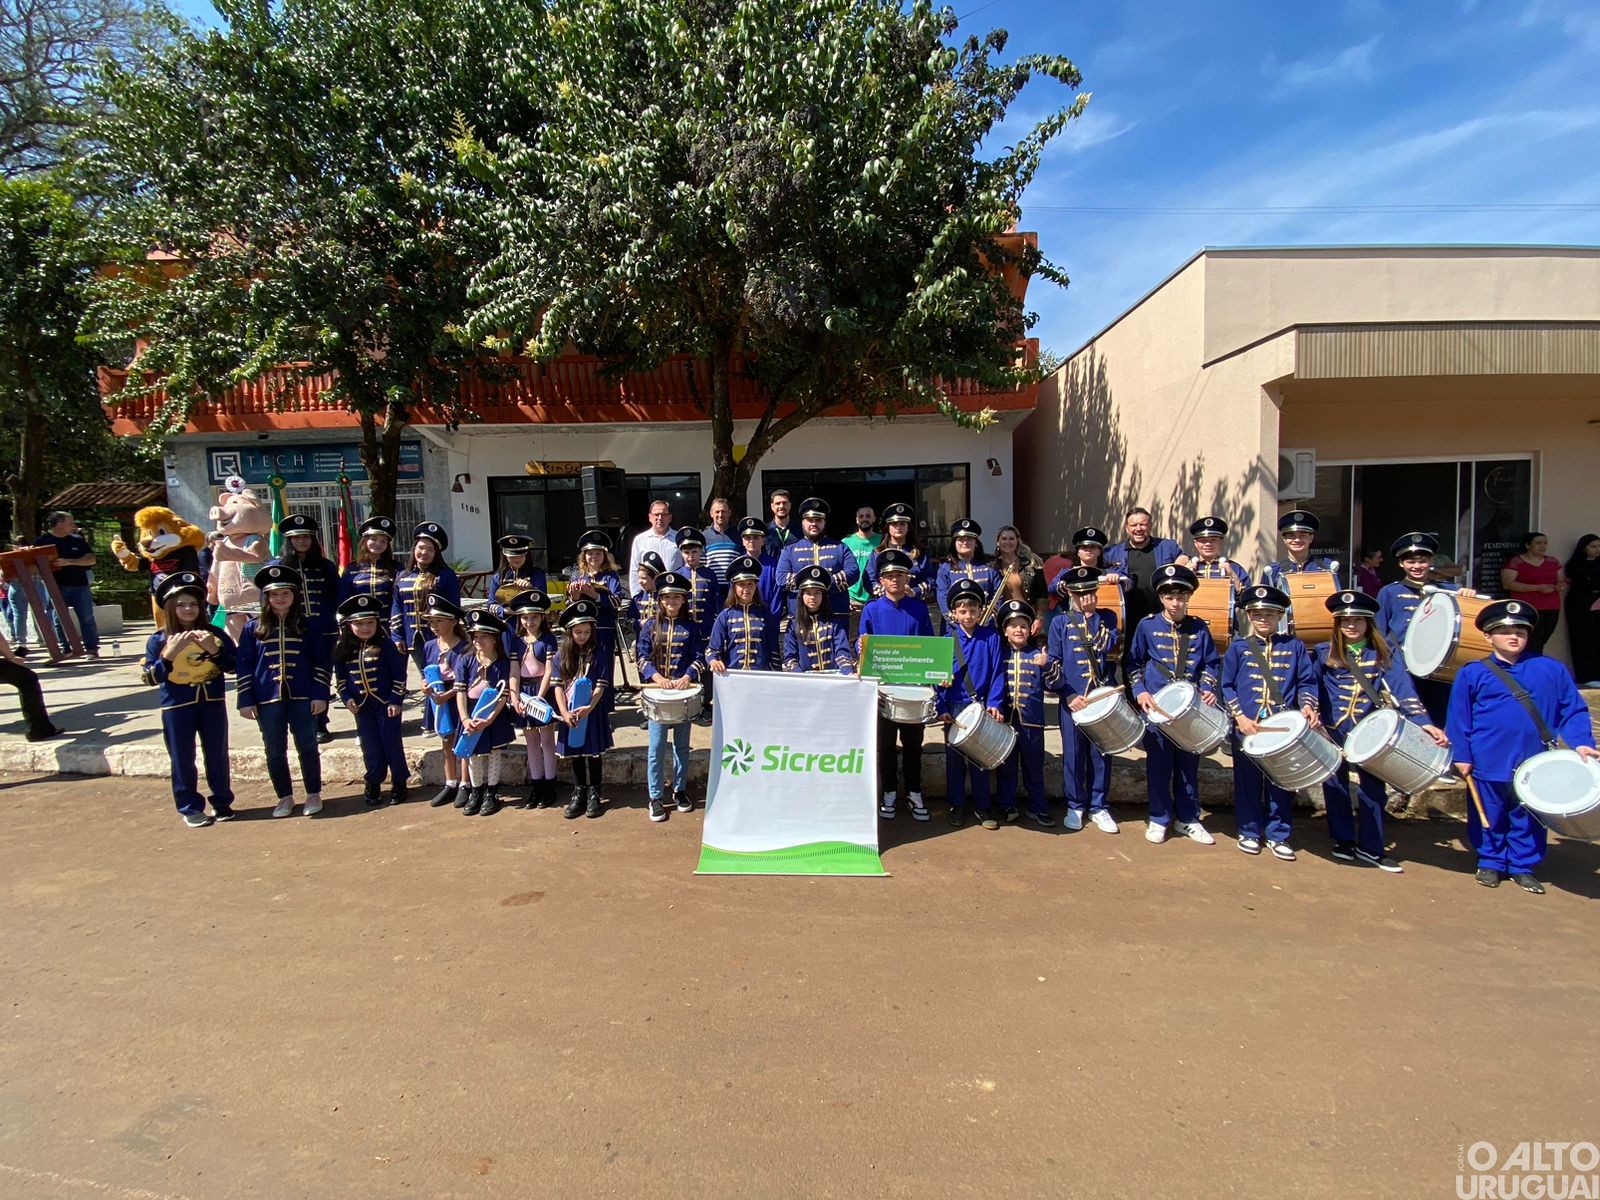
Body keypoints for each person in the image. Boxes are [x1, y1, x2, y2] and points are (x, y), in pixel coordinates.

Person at [1446, 598, 1599, 893]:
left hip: (1535, 760)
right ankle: (1490, 862)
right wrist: (1462, 755)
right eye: (1504, 631)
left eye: (1520, 630)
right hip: (1488, 757)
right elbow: (1459, 718)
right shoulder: (1472, 672)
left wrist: (1581, 743)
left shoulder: (1550, 670)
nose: (1513, 636)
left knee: (1528, 814)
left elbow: (1573, 709)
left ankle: (1521, 865)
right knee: (1489, 813)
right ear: (1488, 636)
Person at [1314, 590, 1445, 873]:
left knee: (1373, 789)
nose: (1351, 626)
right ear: (1337, 624)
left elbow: (1403, 690)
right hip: (1333, 729)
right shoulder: (1324, 652)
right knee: (1334, 785)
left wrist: (1424, 721)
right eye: (1346, 621)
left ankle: (1372, 846)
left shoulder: (1384, 651)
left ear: (1368, 623)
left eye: (1358, 620)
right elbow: (1312, 688)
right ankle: (1343, 839)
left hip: (1368, 733)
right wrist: (1311, 712)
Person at [1221, 585, 1319, 859]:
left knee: (1280, 782)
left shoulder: (1295, 646)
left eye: (1269, 614)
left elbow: (1306, 682)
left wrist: (1309, 705)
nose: (1263, 620)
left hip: (1281, 727)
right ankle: (1249, 831)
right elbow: (1226, 685)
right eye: (1257, 614)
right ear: (1249, 616)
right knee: (1247, 781)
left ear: (1279, 616)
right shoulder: (1238, 647)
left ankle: (1279, 834)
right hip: (1247, 726)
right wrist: (1239, 717)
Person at [1128, 565, 1221, 845]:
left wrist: (1207, 688)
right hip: (1158, 707)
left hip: (1190, 708)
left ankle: (1188, 819)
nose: (1176, 603)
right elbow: (1133, 662)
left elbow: (1211, 664)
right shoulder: (1147, 625)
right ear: (1161, 599)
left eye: (1181, 597)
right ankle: (1158, 817)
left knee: (1187, 765)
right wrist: (1140, 691)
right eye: (1170, 597)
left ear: (1188, 598)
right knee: (1158, 765)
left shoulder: (1199, 627)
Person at [236, 564, 331, 819]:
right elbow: (243, 665)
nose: (280, 599)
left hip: (302, 695)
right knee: (274, 750)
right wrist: (245, 699)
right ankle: (284, 796)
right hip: (267, 698)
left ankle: (313, 792)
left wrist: (320, 694)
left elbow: (321, 662)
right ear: (266, 597)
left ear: (294, 596)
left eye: (285, 594)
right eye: (274, 594)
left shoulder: (308, 625)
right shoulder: (252, 628)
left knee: (308, 746)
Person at [140, 571, 231, 825]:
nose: (188, 609)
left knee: (217, 754)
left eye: (193, 604)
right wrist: (167, 656)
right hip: (177, 706)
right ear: (170, 607)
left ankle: (222, 802)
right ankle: (189, 807)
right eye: (181, 605)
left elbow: (233, 666)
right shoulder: (159, 639)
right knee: (182, 757)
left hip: (212, 703)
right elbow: (149, 677)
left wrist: (213, 651)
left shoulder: (214, 633)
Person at [857, 549, 933, 821]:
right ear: (882, 579)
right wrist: (862, 649)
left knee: (914, 744)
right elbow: (862, 642)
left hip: (913, 689)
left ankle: (914, 790)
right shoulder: (872, 608)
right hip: (883, 690)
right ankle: (888, 789)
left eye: (900, 575)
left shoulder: (919, 608)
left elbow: (930, 645)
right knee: (885, 744)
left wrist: (935, 673)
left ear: (907, 578)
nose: (895, 581)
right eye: (889, 576)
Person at [1376, 531, 1477, 728]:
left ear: (1430, 561)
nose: (1416, 566)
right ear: (1401, 564)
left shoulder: (1450, 590)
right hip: (1403, 668)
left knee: (1441, 719)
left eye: (1422, 561)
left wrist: (1468, 598)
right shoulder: (1389, 592)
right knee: (1411, 721)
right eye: (1410, 562)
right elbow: (1379, 633)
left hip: (1440, 667)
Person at [1047, 565, 1119, 833]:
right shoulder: (1059, 622)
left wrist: (1091, 616)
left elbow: (1106, 646)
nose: (1083, 598)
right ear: (1069, 594)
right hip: (1073, 698)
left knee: (1101, 753)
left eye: (1089, 592)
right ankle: (1075, 804)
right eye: (1078, 594)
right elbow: (1053, 663)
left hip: (1100, 697)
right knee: (1074, 754)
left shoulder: (1107, 618)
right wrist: (1067, 694)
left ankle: (1099, 805)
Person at [636, 571, 704, 821]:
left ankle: (680, 790)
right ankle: (655, 796)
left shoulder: (691, 627)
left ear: (684, 600)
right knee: (656, 748)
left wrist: (687, 677)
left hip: (682, 693)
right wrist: (657, 678)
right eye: (667, 598)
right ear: (660, 601)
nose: (672, 602)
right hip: (657, 695)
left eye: (677, 598)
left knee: (682, 747)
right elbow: (641, 657)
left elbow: (699, 658)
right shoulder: (650, 627)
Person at [940, 579, 1005, 829]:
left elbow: (997, 671)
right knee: (954, 759)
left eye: (973, 610)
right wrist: (942, 707)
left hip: (981, 706)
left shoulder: (991, 637)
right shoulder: (948, 639)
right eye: (963, 611)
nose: (968, 615)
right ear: (954, 613)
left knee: (981, 758)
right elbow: (938, 679)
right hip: (955, 706)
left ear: (981, 611)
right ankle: (956, 804)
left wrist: (995, 702)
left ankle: (983, 806)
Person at [333, 593, 409, 807]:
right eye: (359, 623)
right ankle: (373, 781)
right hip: (362, 707)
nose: (365, 628)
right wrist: (346, 698)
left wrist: (396, 700)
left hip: (386, 705)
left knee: (391, 743)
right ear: (349, 625)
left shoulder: (386, 646)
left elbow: (399, 675)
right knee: (371, 746)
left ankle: (399, 781)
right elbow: (340, 679)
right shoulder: (343, 649)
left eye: (370, 623)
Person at [273, 514, 342, 742]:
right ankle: (303, 722)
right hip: (294, 631)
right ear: (289, 541)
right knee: (300, 675)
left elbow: (336, 596)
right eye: (297, 538)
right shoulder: (279, 565)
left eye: (306, 537)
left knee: (322, 675)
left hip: (324, 630)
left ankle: (321, 722)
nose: (302, 542)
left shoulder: (325, 566)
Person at [392, 521, 461, 734]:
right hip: (413, 636)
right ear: (414, 549)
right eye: (421, 548)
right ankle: (432, 721)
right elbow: (397, 605)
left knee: (439, 675)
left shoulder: (445, 575)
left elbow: (454, 606)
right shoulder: (403, 576)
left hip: (439, 635)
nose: (424, 553)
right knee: (427, 676)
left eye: (430, 549)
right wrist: (396, 634)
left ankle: (437, 721)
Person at [995, 599, 1056, 826]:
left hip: (1032, 723)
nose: (1018, 630)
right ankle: (1006, 804)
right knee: (1007, 767)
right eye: (1013, 626)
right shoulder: (999, 653)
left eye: (1023, 625)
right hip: (1007, 722)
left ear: (1030, 628)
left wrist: (1047, 665)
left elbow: (1055, 684)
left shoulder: (1038, 654)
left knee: (1034, 767)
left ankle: (1037, 806)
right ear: (1005, 630)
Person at [552, 598, 614, 819]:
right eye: (578, 632)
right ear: (570, 632)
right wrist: (564, 713)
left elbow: (600, 685)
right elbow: (557, 687)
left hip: (591, 711)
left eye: (586, 632)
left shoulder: (599, 652)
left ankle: (595, 793)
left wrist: (589, 707)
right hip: (569, 712)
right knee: (576, 753)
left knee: (593, 753)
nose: (582, 636)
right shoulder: (561, 655)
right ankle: (579, 793)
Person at [456, 609, 516, 817]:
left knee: (494, 754)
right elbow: (461, 692)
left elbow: (503, 695)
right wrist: (464, 718)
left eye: (484, 636)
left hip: (494, 716)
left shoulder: (502, 664)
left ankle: (492, 792)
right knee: (474, 755)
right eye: (475, 636)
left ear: (494, 638)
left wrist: (489, 718)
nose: (478, 641)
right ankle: (476, 791)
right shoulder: (465, 661)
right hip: (471, 713)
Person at [506, 589, 558, 809]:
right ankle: (536, 785)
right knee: (531, 743)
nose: (529, 621)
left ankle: (550, 785)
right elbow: (514, 671)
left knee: (547, 741)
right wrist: (515, 696)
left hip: (541, 693)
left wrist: (539, 696)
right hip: (524, 695)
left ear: (542, 617)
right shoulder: (516, 641)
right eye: (525, 617)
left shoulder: (548, 639)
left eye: (534, 617)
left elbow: (549, 670)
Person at [564, 529, 627, 707]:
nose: (594, 557)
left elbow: (616, 601)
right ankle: (581, 703)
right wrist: (575, 597)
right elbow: (569, 604)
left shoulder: (610, 576)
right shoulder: (577, 575)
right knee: (582, 666)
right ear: (584, 556)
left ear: (605, 555)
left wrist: (595, 596)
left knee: (604, 665)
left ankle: (605, 708)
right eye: (590, 553)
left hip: (603, 629)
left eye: (598, 553)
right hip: (581, 631)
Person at [421, 595, 472, 810]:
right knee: (446, 740)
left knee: (462, 741)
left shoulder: (465, 647)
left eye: (439, 621)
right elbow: (426, 671)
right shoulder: (430, 646)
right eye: (431, 622)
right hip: (437, 699)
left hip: (456, 696)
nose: (434, 627)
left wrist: (448, 694)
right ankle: (450, 782)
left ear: (453, 621)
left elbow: (468, 680)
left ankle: (465, 783)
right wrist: (426, 687)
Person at [1103, 507, 1186, 637]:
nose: (1139, 529)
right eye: (1134, 525)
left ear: (1150, 525)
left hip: (1162, 615)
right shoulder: (1111, 553)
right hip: (1128, 619)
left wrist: (1183, 560)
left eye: (1143, 524)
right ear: (1126, 528)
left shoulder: (1167, 546)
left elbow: (1185, 559)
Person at [775, 497, 859, 617]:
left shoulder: (840, 547)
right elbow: (781, 577)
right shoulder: (789, 550)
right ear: (803, 522)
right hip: (801, 615)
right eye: (809, 520)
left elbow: (853, 572)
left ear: (824, 522)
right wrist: (810, 588)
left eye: (818, 520)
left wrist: (825, 584)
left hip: (835, 611)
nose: (814, 524)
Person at [33, 511, 100, 658]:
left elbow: (91, 559)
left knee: (87, 617)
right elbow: (32, 562)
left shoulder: (77, 539)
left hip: (80, 585)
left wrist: (69, 562)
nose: (73, 526)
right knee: (59, 618)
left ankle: (91, 648)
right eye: (70, 523)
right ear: (59, 523)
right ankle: (66, 649)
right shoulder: (42, 541)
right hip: (55, 586)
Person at [707, 555, 780, 673]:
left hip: (760, 676)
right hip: (732, 676)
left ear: (756, 586)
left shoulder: (766, 614)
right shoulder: (725, 616)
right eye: (741, 584)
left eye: (750, 584)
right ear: (734, 587)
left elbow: (773, 650)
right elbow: (712, 650)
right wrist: (714, 661)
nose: (746, 588)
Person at [1500, 531, 1566, 655]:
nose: (1543, 546)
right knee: (1531, 640)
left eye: (1545, 543)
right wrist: (1537, 588)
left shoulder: (1553, 562)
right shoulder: (1516, 561)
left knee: (1543, 638)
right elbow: (1508, 584)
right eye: (1538, 543)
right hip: (1528, 607)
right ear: (1527, 545)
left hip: (1551, 606)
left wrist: (1560, 585)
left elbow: (1561, 580)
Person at [783, 564, 855, 675]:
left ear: (823, 596)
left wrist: (848, 673)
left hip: (833, 679)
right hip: (805, 680)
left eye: (817, 593)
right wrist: (800, 677)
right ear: (801, 596)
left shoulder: (834, 622)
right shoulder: (793, 625)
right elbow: (790, 659)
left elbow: (842, 652)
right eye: (808, 593)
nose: (812, 597)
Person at [934, 518, 1001, 632]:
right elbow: (942, 596)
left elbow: (998, 596)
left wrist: (986, 619)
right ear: (954, 543)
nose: (965, 542)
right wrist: (957, 621)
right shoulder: (945, 569)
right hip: (954, 628)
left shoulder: (989, 568)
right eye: (960, 539)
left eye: (969, 539)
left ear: (976, 543)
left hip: (985, 626)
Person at [864, 503, 934, 607]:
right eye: (894, 524)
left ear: (908, 527)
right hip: (885, 605)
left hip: (913, 604)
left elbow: (931, 580)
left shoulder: (920, 553)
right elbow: (869, 580)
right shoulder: (878, 553)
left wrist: (915, 591)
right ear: (888, 527)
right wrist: (889, 593)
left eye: (902, 524)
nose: (898, 527)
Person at [992, 525, 1048, 638]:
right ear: (998, 542)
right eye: (1004, 539)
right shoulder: (991, 567)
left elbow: (1042, 594)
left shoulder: (1032, 565)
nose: (1008, 542)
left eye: (1011, 539)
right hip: (1002, 620)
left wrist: (1039, 618)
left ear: (1017, 541)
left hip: (1027, 619)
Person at [1263, 510, 1341, 590]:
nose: (1297, 540)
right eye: (1291, 535)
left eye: (1302, 535)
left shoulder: (1327, 567)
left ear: (1311, 538)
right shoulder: (1272, 571)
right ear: (1284, 539)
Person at [339, 515, 399, 608]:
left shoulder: (396, 567)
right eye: (373, 539)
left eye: (383, 541)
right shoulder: (351, 568)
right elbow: (343, 598)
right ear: (365, 541)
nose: (378, 544)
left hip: (389, 621)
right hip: (362, 621)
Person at [1564, 533, 1600, 686]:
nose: (1597, 549)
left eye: (1599, 546)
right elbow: (1584, 584)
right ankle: (1587, 675)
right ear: (1584, 548)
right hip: (1581, 603)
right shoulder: (1575, 564)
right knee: (1584, 638)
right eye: (1593, 546)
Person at [486, 533, 547, 618]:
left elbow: (544, 602)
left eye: (520, 556)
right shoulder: (498, 577)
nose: (516, 559)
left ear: (526, 555)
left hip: (531, 622)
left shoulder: (537, 574)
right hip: (507, 624)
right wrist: (504, 611)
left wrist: (531, 588)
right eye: (512, 557)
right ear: (505, 556)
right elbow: (491, 605)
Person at [736, 517, 784, 618]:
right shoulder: (737, 566)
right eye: (748, 538)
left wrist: (772, 621)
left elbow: (777, 598)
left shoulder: (774, 565)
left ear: (763, 541)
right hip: (743, 619)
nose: (751, 541)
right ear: (743, 542)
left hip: (769, 619)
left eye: (756, 537)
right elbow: (733, 596)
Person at [628, 498, 684, 584]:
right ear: (650, 517)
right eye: (656, 514)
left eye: (663, 514)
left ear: (670, 517)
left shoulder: (679, 538)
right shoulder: (640, 540)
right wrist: (636, 595)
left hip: (673, 590)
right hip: (648, 592)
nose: (660, 518)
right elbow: (634, 569)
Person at [842, 505, 882, 623]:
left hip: (876, 598)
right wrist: (845, 598)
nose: (864, 519)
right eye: (861, 516)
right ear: (856, 519)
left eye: (868, 516)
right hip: (853, 600)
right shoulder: (845, 542)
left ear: (874, 518)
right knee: (853, 639)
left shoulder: (883, 541)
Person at [700, 497, 739, 584]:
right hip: (712, 587)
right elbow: (701, 564)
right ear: (711, 513)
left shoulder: (738, 535)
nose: (720, 515)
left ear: (729, 513)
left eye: (723, 511)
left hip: (733, 588)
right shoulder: (703, 537)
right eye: (717, 512)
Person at [630, 550, 666, 626]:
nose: (640, 581)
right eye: (639, 578)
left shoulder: (665, 598)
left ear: (655, 577)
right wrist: (639, 623)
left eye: (644, 578)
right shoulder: (638, 598)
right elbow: (628, 621)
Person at [765, 489, 798, 558]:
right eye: (777, 503)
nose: (781, 506)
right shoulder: (764, 531)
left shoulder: (800, 530)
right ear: (772, 506)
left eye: (784, 503)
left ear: (790, 505)